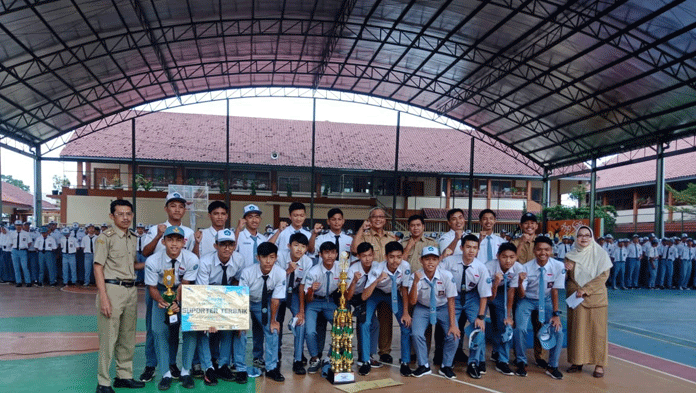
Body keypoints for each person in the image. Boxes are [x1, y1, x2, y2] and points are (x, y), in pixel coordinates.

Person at [139, 192, 196, 383]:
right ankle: (150, 364)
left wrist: (177, 300)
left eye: (181, 206)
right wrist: (158, 235)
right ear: (166, 208)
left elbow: (192, 260)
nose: (177, 209)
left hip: (181, 287)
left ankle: (171, 363)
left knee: (176, 327)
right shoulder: (156, 229)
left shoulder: (188, 231)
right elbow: (145, 252)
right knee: (154, 328)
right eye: (173, 206)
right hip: (158, 286)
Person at [94, 199, 146, 393]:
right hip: (112, 290)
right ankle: (103, 382)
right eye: (121, 214)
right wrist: (104, 297)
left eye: (128, 214)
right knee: (109, 337)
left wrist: (153, 264)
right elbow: (98, 267)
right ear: (112, 216)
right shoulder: (104, 237)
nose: (125, 217)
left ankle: (124, 376)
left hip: (131, 290)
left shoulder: (132, 237)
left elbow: (131, 265)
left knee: (127, 336)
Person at [144, 225, 199, 390]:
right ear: (163, 241)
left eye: (178, 240)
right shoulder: (153, 260)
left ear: (184, 242)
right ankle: (166, 374)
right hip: (161, 292)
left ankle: (186, 371)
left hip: (185, 291)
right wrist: (162, 300)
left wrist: (177, 302)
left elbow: (186, 284)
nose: (174, 244)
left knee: (190, 329)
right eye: (170, 240)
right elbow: (152, 287)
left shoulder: (192, 259)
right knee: (158, 331)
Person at [195, 229, 247, 385]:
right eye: (222, 244)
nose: (227, 248)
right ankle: (208, 367)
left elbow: (237, 282)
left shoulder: (239, 260)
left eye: (230, 244)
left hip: (227, 295)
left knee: (230, 327)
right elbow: (202, 292)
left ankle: (223, 364)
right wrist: (210, 318)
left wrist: (235, 312)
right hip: (205, 295)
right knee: (203, 328)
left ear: (234, 246)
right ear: (215, 245)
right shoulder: (205, 262)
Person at [511, 236, 565, 379]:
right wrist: (520, 281)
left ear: (551, 251)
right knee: (520, 328)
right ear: (534, 251)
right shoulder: (526, 267)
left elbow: (555, 291)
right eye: (539, 249)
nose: (543, 252)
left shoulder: (558, 266)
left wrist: (556, 314)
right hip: (527, 300)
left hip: (546, 300)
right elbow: (521, 295)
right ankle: (521, 362)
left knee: (558, 331)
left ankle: (552, 366)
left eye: (546, 249)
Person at [564, 225, 613, 378]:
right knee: (577, 331)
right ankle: (577, 361)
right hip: (576, 298)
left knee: (597, 332)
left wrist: (586, 289)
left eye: (587, 235)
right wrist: (565, 269)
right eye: (580, 235)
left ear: (592, 237)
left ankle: (599, 364)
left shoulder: (600, 254)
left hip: (595, 297)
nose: (583, 238)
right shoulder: (570, 255)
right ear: (575, 238)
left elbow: (603, 276)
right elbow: (566, 278)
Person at [351, 207, 398, 364]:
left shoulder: (391, 238)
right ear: (369, 220)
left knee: (386, 319)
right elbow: (353, 249)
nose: (378, 219)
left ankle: (384, 351)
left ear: (385, 220)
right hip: (369, 285)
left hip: (385, 284)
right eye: (374, 217)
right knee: (366, 320)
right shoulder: (363, 236)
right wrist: (361, 229)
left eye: (381, 217)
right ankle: (364, 353)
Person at [359, 241, 413, 377]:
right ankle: (366, 361)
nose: (395, 261)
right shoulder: (377, 269)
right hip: (375, 293)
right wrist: (377, 280)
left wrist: (406, 313)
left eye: (398, 257)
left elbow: (405, 289)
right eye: (392, 257)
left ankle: (405, 362)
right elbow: (364, 296)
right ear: (385, 257)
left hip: (393, 293)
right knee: (365, 323)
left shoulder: (405, 266)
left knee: (405, 324)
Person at [441, 234, 491, 379]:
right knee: (453, 331)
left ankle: (473, 363)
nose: (471, 251)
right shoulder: (449, 262)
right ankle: (446, 365)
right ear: (461, 247)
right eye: (468, 247)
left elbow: (484, 295)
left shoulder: (481, 268)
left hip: (471, 298)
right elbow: (437, 274)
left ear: (478, 250)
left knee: (479, 330)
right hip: (452, 297)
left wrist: (481, 317)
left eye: (474, 248)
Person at [302, 241, 354, 374]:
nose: (329, 256)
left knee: (342, 327)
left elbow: (345, 294)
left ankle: (330, 357)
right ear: (320, 254)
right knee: (310, 331)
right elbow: (308, 298)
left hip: (330, 301)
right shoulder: (314, 271)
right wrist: (311, 291)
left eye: (332, 252)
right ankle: (315, 358)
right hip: (314, 303)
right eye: (326, 252)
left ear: (336, 254)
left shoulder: (342, 268)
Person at [409, 246, 460, 378]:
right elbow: (413, 301)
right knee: (416, 334)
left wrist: (453, 324)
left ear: (438, 261)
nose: (430, 262)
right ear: (421, 260)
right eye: (427, 259)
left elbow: (451, 300)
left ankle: (446, 365)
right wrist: (415, 283)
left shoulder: (446, 275)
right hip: (423, 307)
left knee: (454, 334)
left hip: (442, 307)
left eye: (434, 259)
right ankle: (424, 365)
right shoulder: (416, 276)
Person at [239, 242, 286, 382]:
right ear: (257, 257)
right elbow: (242, 298)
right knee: (240, 331)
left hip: (264, 302)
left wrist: (273, 321)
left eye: (271, 257)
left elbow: (275, 299)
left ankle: (271, 368)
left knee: (273, 331)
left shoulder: (280, 273)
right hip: (246, 301)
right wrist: (242, 321)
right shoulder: (247, 272)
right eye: (264, 257)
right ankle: (240, 368)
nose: (268, 261)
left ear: (276, 257)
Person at [234, 203, 270, 371]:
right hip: (240, 287)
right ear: (245, 219)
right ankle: (237, 360)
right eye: (250, 216)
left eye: (257, 216)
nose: (254, 220)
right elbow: (231, 250)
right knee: (240, 326)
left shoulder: (263, 239)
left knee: (259, 325)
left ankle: (258, 356)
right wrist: (237, 230)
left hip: (259, 288)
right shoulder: (239, 237)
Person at [275, 233, 314, 375]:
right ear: (289, 246)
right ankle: (275, 355)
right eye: (296, 245)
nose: (299, 249)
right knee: (275, 323)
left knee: (300, 322)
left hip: (295, 292)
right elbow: (274, 280)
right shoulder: (279, 256)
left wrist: (301, 311)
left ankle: (298, 360)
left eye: (303, 246)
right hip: (277, 292)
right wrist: (288, 271)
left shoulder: (307, 262)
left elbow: (302, 287)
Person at [486, 242, 523, 376]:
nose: (508, 260)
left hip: (503, 293)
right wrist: (495, 283)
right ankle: (477, 361)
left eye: (511, 257)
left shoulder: (518, 268)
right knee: (478, 323)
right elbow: (488, 296)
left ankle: (502, 360)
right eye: (504, 257)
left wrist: (508, 316)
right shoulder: (488, 267)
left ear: (515, 257)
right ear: (497, 256)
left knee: (502, 325)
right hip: (484, 293)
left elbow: (511, 293)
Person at [346, 242, 381, 370]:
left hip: (365, 296)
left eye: (370, 255)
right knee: (344, 323)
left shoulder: (377, 266)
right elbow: (348, 296)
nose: (367, 259)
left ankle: (368, 355)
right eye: (364, 256)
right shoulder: (353, 269)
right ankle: (343, 355)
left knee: (372, 323)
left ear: (374, 255)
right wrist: (355, 281)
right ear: (359, 256)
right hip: (350, 295)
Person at [10, 219, 32, 287]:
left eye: (19, 225)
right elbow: (10, 243)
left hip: (23, 251)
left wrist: (24, 247)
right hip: (15, 251)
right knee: (16, 267)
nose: (18, 226)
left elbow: (29, 242)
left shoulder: (26, 233)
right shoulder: (12, 233)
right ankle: (18, 282)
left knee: (24, 267)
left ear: (22, 226)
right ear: (15, 226)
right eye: (17, 225)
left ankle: (28, 282)